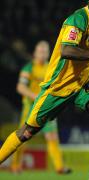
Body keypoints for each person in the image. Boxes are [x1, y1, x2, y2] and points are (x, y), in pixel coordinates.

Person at [0, 0, 89, 179]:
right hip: (58, 87)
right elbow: (67, 50)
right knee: (26, 132)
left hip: (81, 83)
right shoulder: (77, 19)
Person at [10, 41, 71, 174]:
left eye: (45, 51)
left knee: (52, 136)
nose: (42, 54)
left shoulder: (52, 67)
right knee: (22, 137)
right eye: (40, 51)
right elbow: (20, 87)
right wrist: (35, 96)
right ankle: (15, 165)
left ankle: (60, 167)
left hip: (47, 107)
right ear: (35, 53)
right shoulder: (29, 68)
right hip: (30, 107)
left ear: (48, 53)